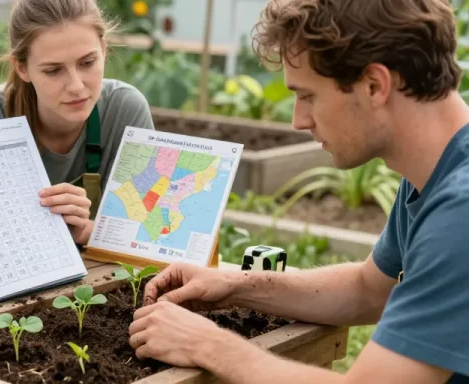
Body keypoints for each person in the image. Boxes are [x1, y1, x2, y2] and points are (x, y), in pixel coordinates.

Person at [128, 0, 469, 383]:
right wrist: (234, 287)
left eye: (307, 96)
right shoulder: (434, 170)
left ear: (375, 85)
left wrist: (207, 344)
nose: (298, 120)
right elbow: (368, 290)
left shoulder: (460, 211)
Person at [0, 0, 155, 245]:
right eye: (53, 70)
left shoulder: (125, 109)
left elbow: (148, 231)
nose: (76, 86)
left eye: (87, 63)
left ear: (104, 48)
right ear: (22, 68)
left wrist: (87, 232)